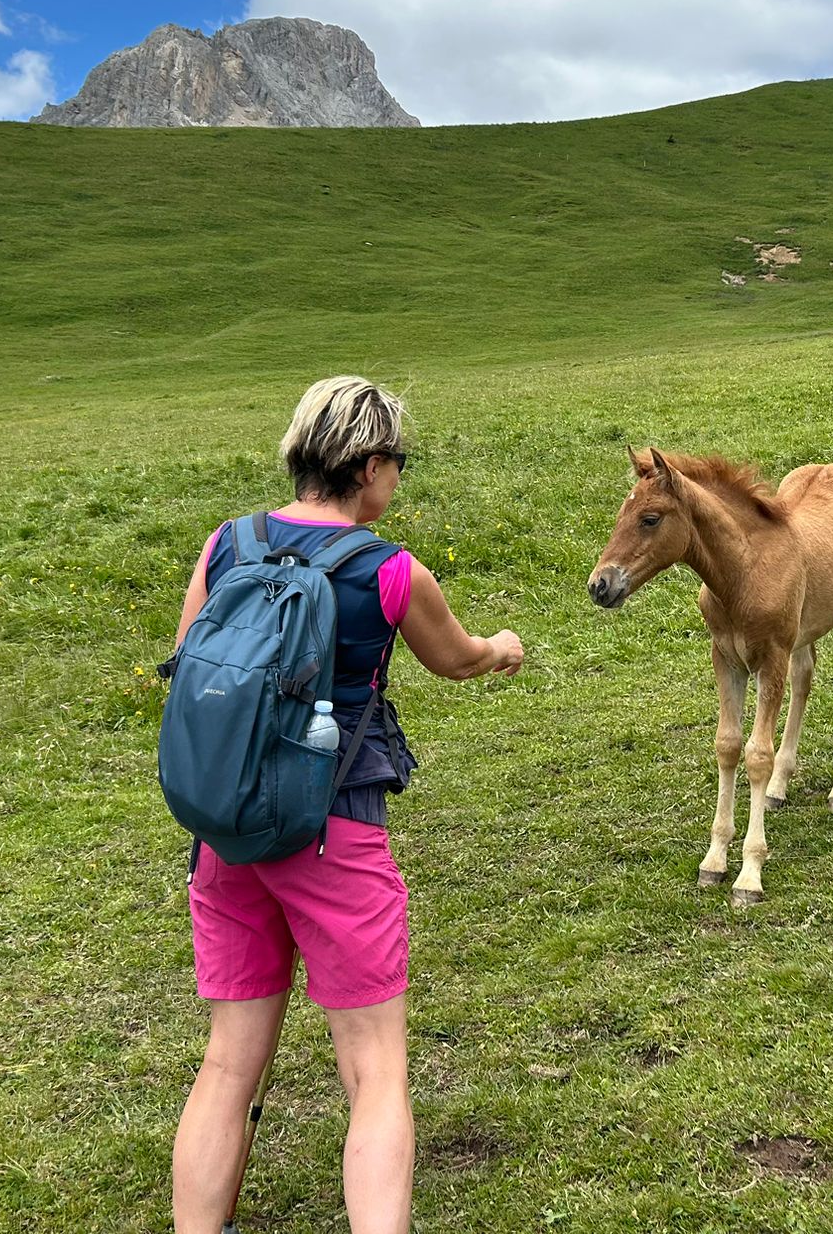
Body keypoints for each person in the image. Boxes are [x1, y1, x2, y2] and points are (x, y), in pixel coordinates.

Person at [169, 376, 523, 1234]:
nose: (398, 478)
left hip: (228, 834)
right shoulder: (391, 569)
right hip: (336, 834)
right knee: (375, 1070)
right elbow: (460, 659)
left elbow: (188, 667)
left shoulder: (228, 544)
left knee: (226, 1067)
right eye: (396, 462)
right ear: (368, 465)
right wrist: (502, 647)